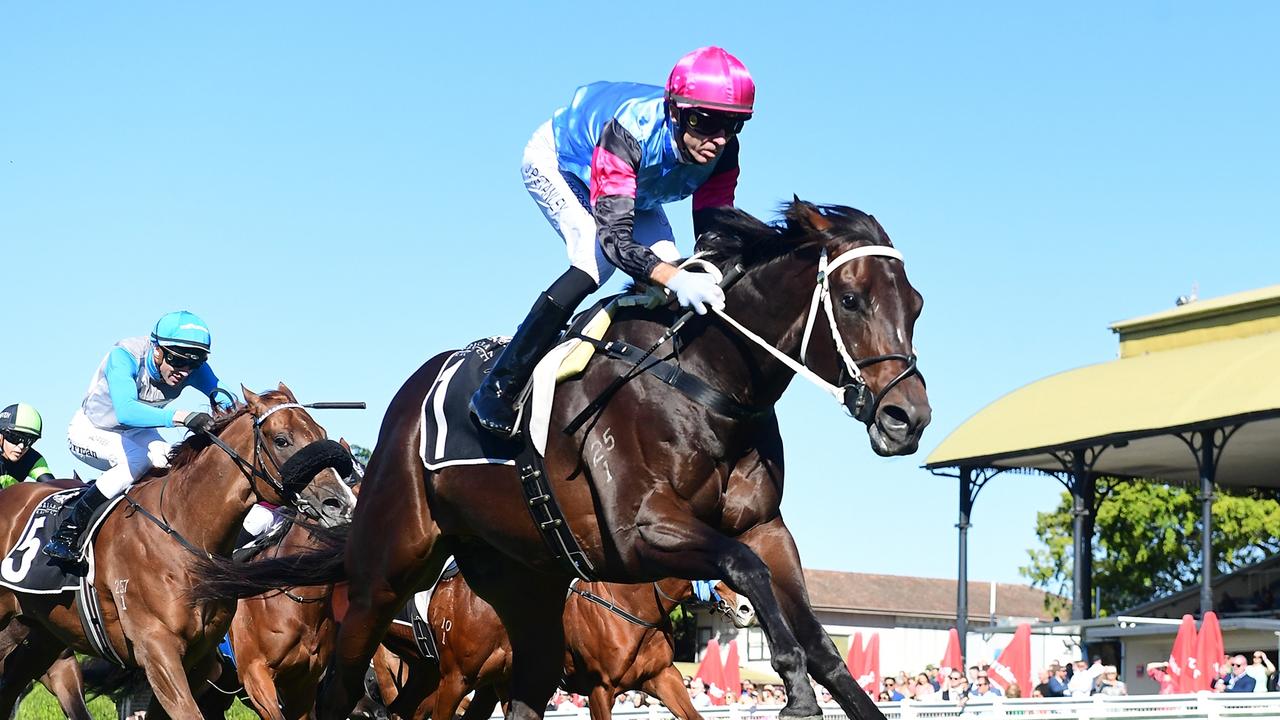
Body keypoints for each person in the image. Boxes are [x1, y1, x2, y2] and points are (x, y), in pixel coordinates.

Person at [469, 46, 755, 436]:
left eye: (733, 125)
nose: (718, 139)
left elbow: (715, 232)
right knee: (594, 260)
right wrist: (672, 277)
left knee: (676, 263)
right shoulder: (628, 133)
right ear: (675, 111)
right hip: (564, 165)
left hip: (633, 189)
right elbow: (614, 240)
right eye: (704, 122)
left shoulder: (724, 152)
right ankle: (500, 383)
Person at [43, 311, 231, 561]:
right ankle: (67, 534)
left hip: (137, 433)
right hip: (91, 429)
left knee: (174, 464)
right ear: (157, 349)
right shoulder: (125, 355)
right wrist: (182, 416)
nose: (184, 371)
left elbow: (226, 400)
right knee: (137, 461)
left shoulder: (190, 366)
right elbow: (126, 411)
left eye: (194, 364)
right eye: (177, 361)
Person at [0, 403, 54, 488]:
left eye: (29, 441)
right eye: (15, 438)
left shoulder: (33, 459)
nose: (21, 446)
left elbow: (53, 486)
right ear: (1, 436)